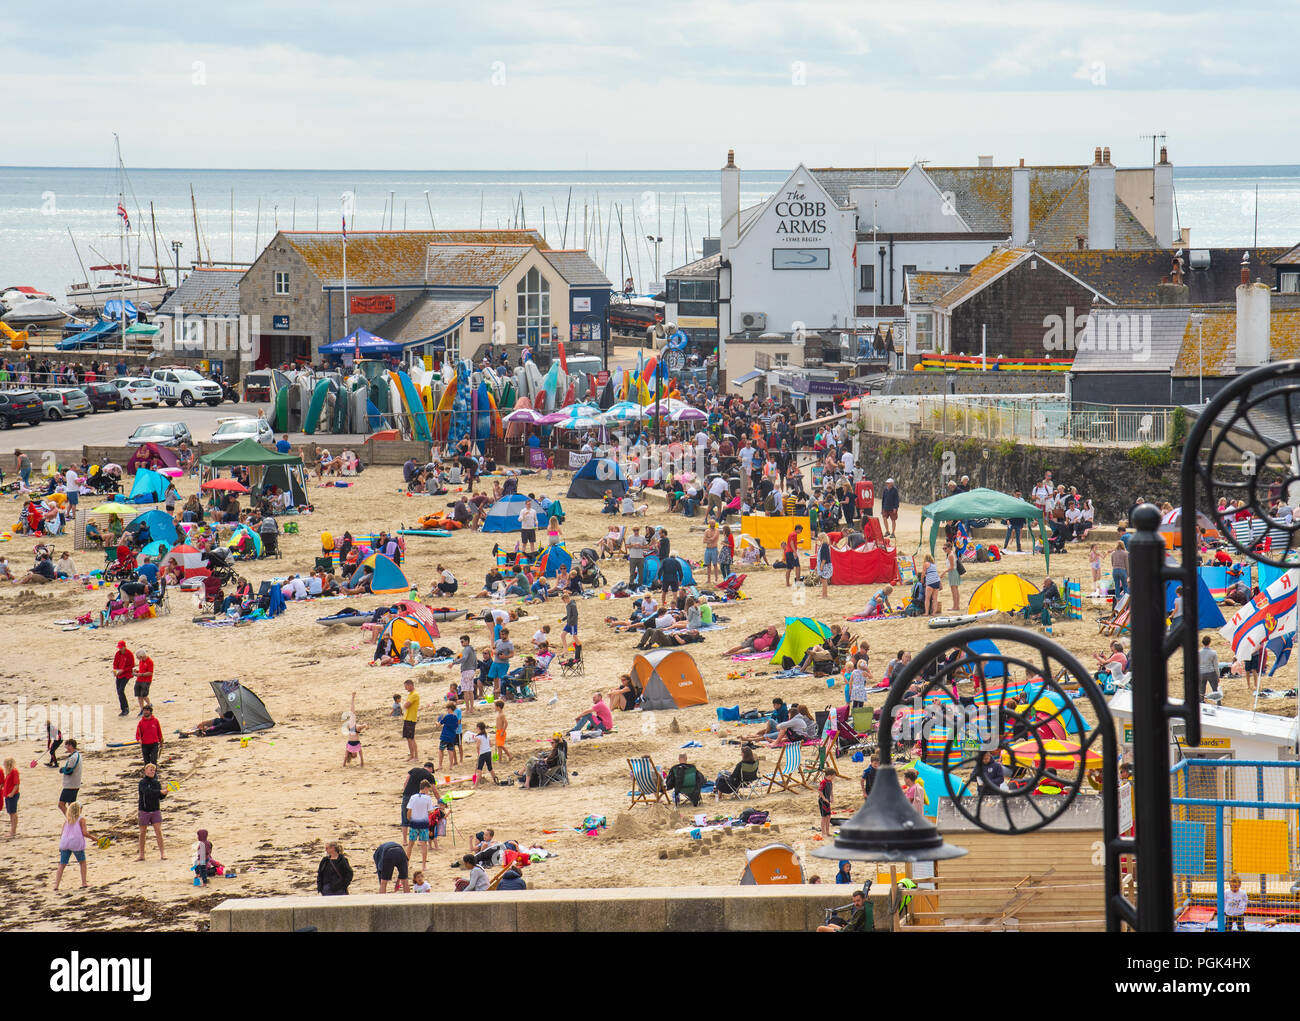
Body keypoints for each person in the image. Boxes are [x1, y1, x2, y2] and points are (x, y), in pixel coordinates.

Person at [54, 801, 94, 891]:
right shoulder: (81, 819)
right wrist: (94, 838)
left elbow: (62, 833)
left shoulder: (67, 820)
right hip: (76, 843)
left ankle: (56, 885)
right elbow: (84, 833)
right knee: (82, 862)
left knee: (62, 864)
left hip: (65, 843)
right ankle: (84, 883)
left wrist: (61, 845)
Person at [136, 762, 166, 860]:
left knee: (158, 831)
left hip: (155, 810)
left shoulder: (156, 782)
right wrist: (159, 792)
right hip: (144, 810)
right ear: (145, 771)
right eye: (150, 770)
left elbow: (160, 797)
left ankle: (163, 853)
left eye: (153, 770)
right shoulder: (142, 782)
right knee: (142, 833)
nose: (152, 771)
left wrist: (165, 793)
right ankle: (141, 855)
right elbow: (147, 793)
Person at [405, 778, 436, 869]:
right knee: (423, 845)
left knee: (410, 844)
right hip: (423, 824)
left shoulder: (413, 797)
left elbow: (409, 810)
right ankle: (423, 865)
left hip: (414, 823)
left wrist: (409, 819)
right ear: (425, 788)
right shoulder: (427, 798)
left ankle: (407, 863)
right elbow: (430, 812)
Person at [57, 739, 82, 812]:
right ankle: (75, 820)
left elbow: (69, 771)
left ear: (71, 746)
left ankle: (71, 820)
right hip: (76, 784)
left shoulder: (73, 757)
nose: (66, 748)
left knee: (61, 805)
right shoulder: (78, 755)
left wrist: (62, 770)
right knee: (71, 805)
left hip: (70, 785)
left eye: (67, 746)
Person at [112, 640, 134, 717]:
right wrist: (115, 671)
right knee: (119, 691)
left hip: (126, 674)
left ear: (124, 647)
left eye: (121, 648)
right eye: (119, 648)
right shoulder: (118, 654)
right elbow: (115, 663)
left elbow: (132, 665)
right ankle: (123, 709)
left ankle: (126, 708)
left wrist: (123, 670)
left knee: (121, 690)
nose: (120, 649)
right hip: (119, 674)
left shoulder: (129, 654)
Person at [471, 722, 497, 786]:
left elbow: (478, 746)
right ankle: (496, 780)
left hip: (483, 754)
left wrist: (478, 752)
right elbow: (491, 744)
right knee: (490, 768)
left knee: (479, 769)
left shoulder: (478, 737)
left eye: (476, 728)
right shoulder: (487, 735)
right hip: (488, 752)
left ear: (479, 728)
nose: (476, 729)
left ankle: (475, 785)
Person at [400, 679, 420, 763]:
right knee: (408, 738)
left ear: (410, 685)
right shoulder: (411, 694)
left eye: (406, 686)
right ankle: (411, 755)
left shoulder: (415, 694)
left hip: (411, 718)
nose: (406, 688)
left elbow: (407, 705)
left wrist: (404, 706)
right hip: (407, 717)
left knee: (411, 738)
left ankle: (416, 756)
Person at [437, 703, 461, 768]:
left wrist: (437, 722)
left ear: (450, 709)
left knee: (441, 750)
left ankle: (440, 765)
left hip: (445, 736)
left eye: (447, 709)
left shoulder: (447, 716)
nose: (447, 710)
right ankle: (451, 765)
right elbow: (456, 727)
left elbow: (439, 724)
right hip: (452, 736)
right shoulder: (455, 717)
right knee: (450, 751)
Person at [1199, 635, 1222, 702]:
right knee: (1215, 689)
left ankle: (1201, 702)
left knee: (1202, 690)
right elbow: (1216, 666)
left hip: (1201, 672)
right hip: (1211, 672)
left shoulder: (1199, 653)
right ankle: (1218, 703)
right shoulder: (1213, 653)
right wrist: (1218, 675)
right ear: (1209, 642)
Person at [133, 647, 154, 715]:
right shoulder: (141, 661)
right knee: (139, 696)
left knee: (144, 695)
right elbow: (142, 671)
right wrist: (137, 672)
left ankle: (149, 704)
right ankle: (142, 709)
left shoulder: (150, 661)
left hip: (146, 681)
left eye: (138, 657)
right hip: (139, 680)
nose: (137, 658)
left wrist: (140, 674)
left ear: (141, 656)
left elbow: (150, 672)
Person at [3, 757, 19, 839]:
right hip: (7, 795)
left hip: (12, 795)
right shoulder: (9, 772)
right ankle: (12, 830)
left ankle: (13, 831)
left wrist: (12, 793)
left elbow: (16, 784)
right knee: (10, 812)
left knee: (13, 812)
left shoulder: (14, 771)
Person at [944, 542, 961, 612]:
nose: (944, 550)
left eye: (945, 548)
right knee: (955, 590)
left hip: (953, 572)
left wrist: (944, 572)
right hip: (954, 572)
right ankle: (956, 606)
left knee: (954, 590)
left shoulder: (950, 555)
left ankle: (955, 606)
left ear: (949, 548)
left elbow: (951, 567)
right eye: (943, 548)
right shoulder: (952, 553)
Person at [818, 772, 834, 839]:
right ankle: (823, 833)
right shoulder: (823, 782)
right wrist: (824, 799)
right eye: (833, 776)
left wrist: (832, 797)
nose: (834, 778)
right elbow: (819, 791)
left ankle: (827, 832)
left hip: (828, 801)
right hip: (822, 801)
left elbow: (831, 790)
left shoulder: (830, 781)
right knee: (824, 817)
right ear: (829, 775)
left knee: (828, 816)